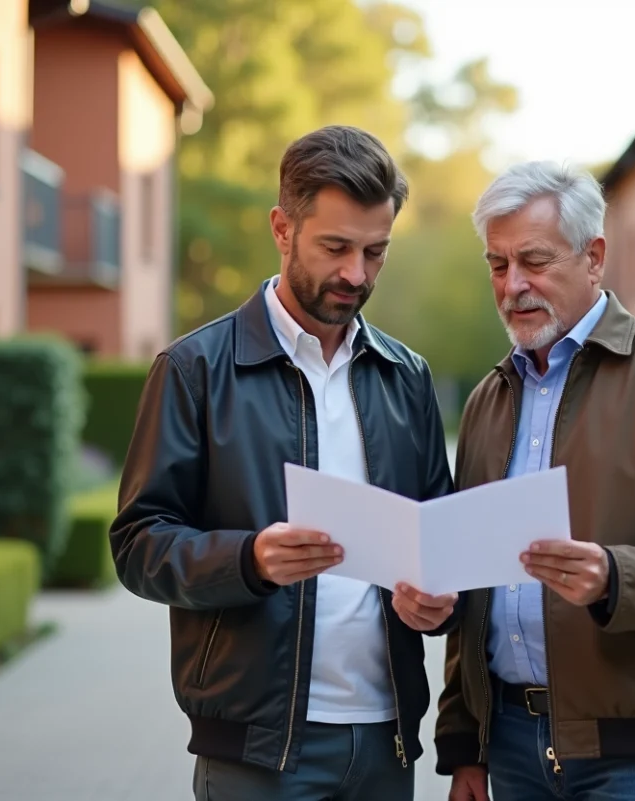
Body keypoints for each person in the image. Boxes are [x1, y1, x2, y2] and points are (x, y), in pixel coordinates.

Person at [110, 125, 460, 801]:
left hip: (386, 741)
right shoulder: (193, 370)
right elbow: (137, 543)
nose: (356, 274)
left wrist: (439, 601)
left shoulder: (406, 376)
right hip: (258, 751)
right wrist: (252, 560)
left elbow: (437, 544)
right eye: (336, 247)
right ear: (282, 227)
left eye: (375, 252)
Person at [435, 161, 635, 801]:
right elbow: (473, 588)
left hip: (631, 756)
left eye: (534, 260)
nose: (513, 285)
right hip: (506, 746)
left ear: (594, 257)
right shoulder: (486, 401)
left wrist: (614, 576)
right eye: (498, 266)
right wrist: (463, 744)